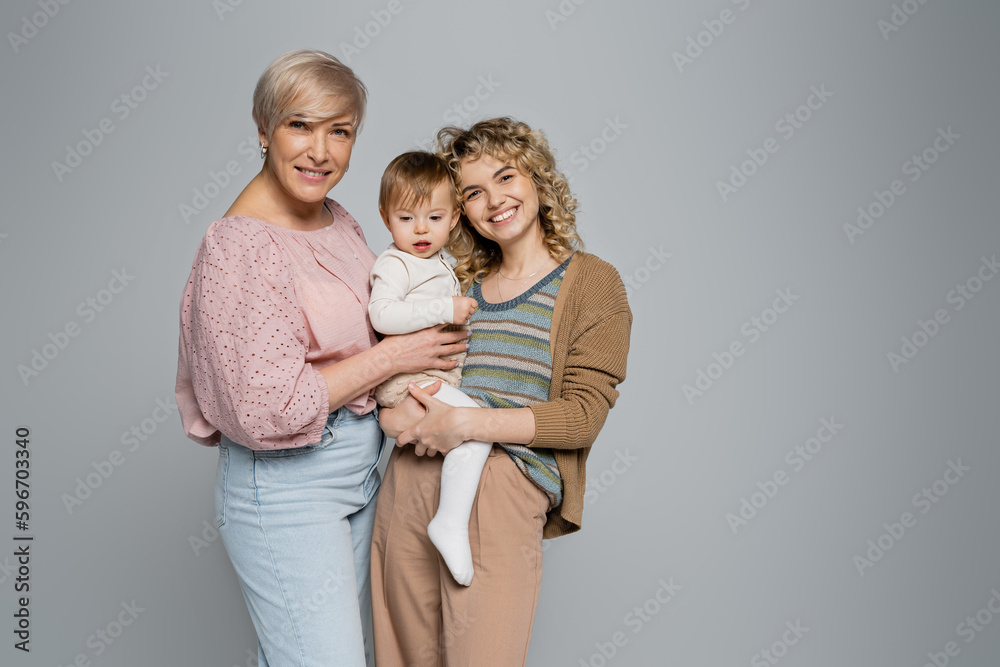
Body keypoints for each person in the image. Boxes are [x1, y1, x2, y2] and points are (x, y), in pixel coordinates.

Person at [174, 49, 469, 667]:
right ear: (263, 130)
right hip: (286, 486)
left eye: (340, 131)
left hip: (359, 466)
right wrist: (400, 357)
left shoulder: (339, 219)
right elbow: (267, 408)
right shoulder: (241, 247)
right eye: (299, 125)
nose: (321, 151)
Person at [370, 117, 633, 666]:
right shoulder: (451, 281)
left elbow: (582, 415)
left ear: (537, 177)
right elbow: (392, 370)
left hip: (501, 490)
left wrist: (466, 425)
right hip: (411, 480)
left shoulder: (592, 283)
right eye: (472, 192)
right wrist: (401, 419)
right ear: (460, 208)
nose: (494, 200)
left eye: (506, 177)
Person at [368, 150, 490, 586]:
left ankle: (448, 522)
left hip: (427, 381)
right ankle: (449, 524)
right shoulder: (396, 263)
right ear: (386, 219)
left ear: (454, 218)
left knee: (466, 436)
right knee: (475, 430)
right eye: (406, 218)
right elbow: (382, 316)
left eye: (434, 218)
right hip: (409, 383)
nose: (421, 229)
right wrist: (446, 307)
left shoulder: (436, 262)